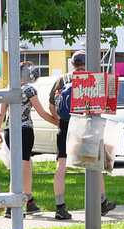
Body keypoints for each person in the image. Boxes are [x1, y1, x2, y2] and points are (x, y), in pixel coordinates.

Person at [48, 51, 116, 220]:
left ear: (72, 64)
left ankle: (60, 206)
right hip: (87, 124)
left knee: (62, 165)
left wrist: (61, 122)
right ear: (88, 62)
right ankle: (101, 202)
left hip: (65, 125)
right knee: (94, 163)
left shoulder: (62, 80)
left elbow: (51, 106)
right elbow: (106, 105)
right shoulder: (93, 78)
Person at [0, 62, 57, 217]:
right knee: (21, 167)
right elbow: (42, 112)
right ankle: (12, 205)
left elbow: (1, 113)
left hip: (9, 131)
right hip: (24, 130)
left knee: (26, 164)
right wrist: (59, 123)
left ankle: (29, 201)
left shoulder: (9, 89)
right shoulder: (30, 90)